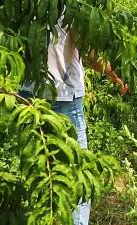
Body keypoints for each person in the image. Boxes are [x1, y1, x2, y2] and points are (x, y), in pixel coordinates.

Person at [20, 24, 127, 225]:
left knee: (36, 171)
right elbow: (89, 52)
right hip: (64, 93)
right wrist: (113, 75)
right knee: (77, 173)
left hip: (27, 93)